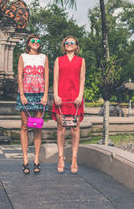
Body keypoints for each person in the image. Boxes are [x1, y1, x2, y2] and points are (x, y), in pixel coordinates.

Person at [52, 36, 86, 173]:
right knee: (61, 128)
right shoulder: (58, 60)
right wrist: (55, 95)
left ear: (76, 46)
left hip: (75, 98)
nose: (69, 44)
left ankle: (74, 159)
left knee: (75, 129)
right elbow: (55, 78)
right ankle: (60, 158)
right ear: (64, 45)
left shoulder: (81, 61)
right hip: (61, 97)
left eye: (72, 43)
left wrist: (80, 95)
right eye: (67, 42)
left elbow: (82, 79)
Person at [16, 34, 49, 174]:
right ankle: (25, 159)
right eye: (33, 41)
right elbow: (19, 75)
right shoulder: (23, 56)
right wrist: (22, 94)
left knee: (37, 127)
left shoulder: (44, 58)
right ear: (28, 43)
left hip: (40, 94)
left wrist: (46, 95)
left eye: (38, 41)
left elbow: (46, 77)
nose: (36, 43)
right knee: (24, 126)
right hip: (26, 94)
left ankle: (36, 159)